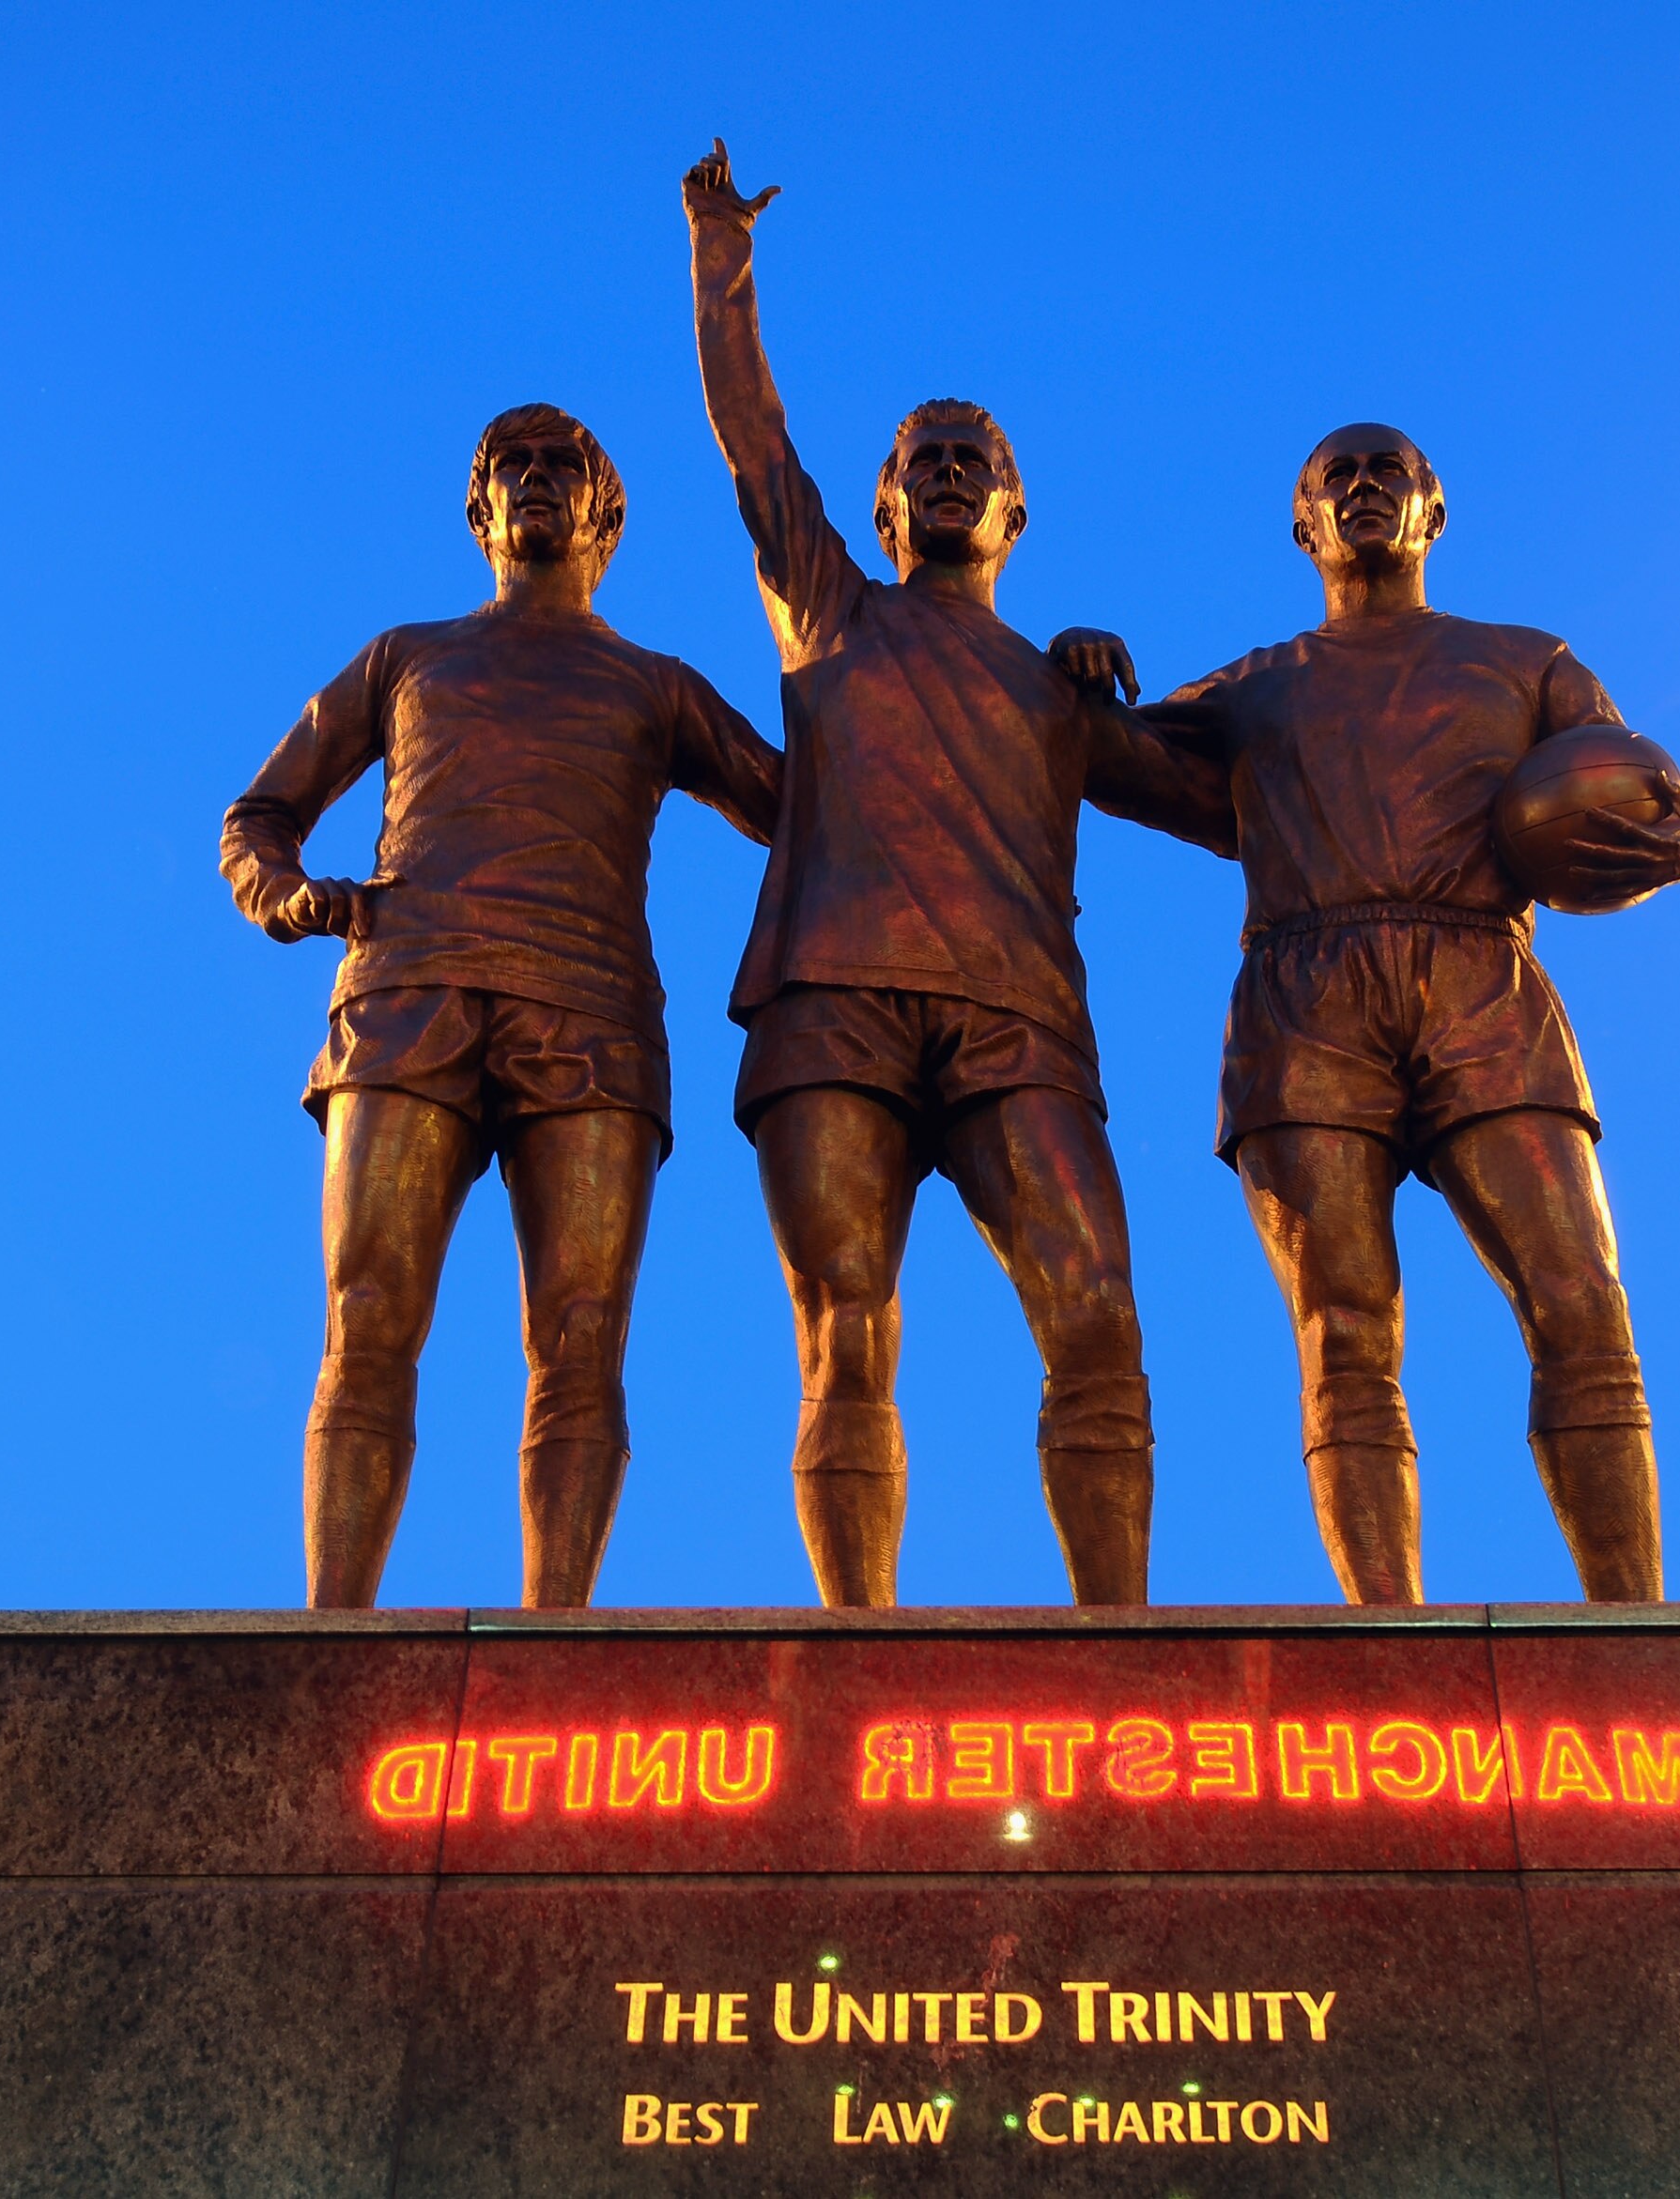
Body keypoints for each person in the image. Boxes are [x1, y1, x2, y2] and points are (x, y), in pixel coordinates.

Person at [681, 140, 1229, 1606]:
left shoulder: (1060, 695)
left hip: (1015, 1021)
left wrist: (1148, 703)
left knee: (1098, 1316)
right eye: (919, 457)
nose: (942, 473)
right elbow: (752, 441)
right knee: (845, 1328)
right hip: (833, 1004)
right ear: (879, 507)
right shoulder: (830, 612)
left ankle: (1117, 1644)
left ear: (1012, 513)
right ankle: (859, 1642)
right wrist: (724, 262)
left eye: (967, 460)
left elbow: (1235, 806)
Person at [1060, 423, 1680, 1603]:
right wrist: (1066, 671)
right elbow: (1098, 750)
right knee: (1343, 1329)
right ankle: (1387, 1631)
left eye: (1389, 474)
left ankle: (1636, 1624)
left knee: (1578, 1297)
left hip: (1480, 974)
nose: (1362, 490)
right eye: (1336, 479)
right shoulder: (1255, 686)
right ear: (1303, 526)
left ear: (1432, 512)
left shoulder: (1528, 662)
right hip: (1304, 997)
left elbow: (1666, 800)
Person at [221, 403, 781, 1608]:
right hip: (407, 992)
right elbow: (256, 816)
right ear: (479, 510)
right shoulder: (407, 657)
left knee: (580, 1341)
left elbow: (800, 807)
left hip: (588, 1014)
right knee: (367, 1316)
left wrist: (911, 690)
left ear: (604, 512)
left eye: (560, 465)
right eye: (511, 467)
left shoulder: (654, 686)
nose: (535, 481)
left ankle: (553, 1639)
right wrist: (291, 898)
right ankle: (331, 1630)